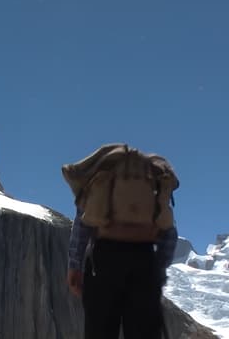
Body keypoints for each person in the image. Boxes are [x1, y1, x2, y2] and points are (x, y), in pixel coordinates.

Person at [63, 144, 178, 339]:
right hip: (144, 261)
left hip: (102, 261)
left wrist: (75, 266)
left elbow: (82, 225)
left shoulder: (101, 181)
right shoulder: (153, 182)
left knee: (99, 332)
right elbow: (169, 232)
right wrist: (156, 271)